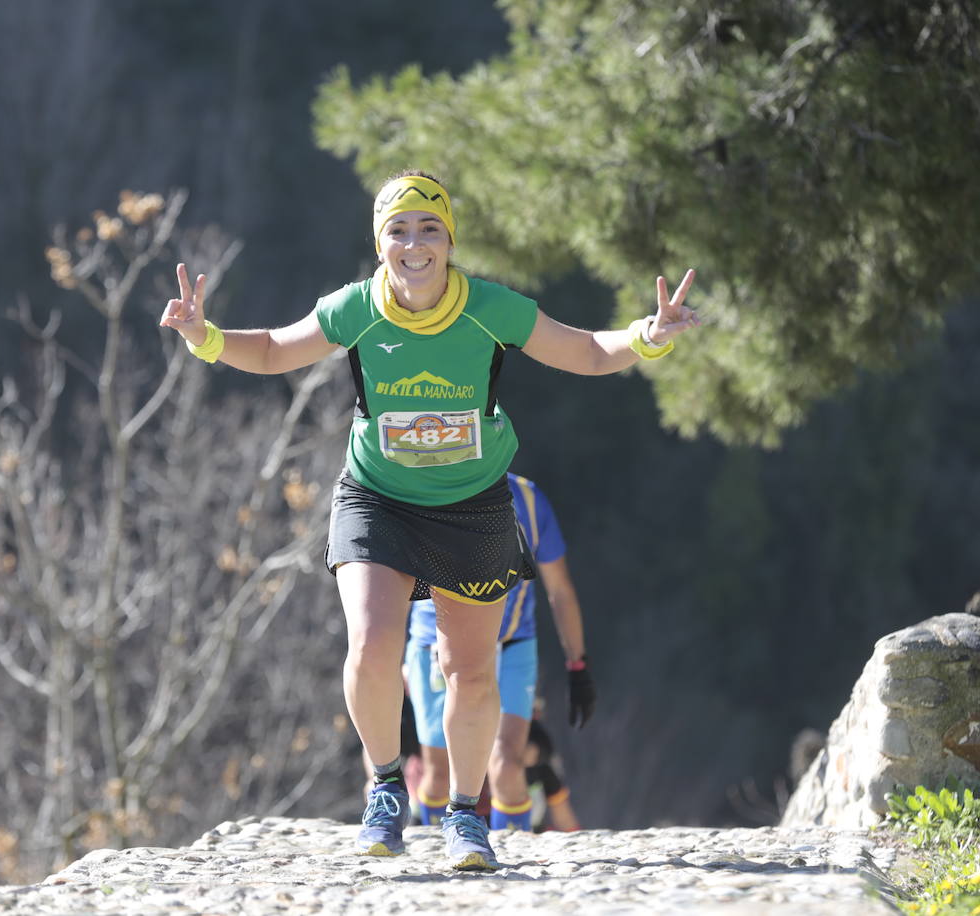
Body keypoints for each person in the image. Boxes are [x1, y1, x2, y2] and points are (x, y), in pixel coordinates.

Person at [158, 170, 697, 871]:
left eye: (428, 229)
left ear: (449, 241)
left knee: (471, 672)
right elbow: (270, 351)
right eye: (398, 231)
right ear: (380, 244)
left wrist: (647, 336)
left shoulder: (491, 309)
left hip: (472, 506)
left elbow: (587, 352)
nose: (414, 244)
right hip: (377, 496)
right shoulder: (357, 309)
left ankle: (465, 817)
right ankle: (385, 787)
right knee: (372, 645)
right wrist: (205, 335)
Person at [405, 472, 594, 831]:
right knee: (440, 771)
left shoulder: (529, 498)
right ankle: (434, 855)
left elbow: (560, 590)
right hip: (438, 642)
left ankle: (510, 863)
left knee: (507, 762)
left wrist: (578, 665)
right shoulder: (428, 485)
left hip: (511, 643)